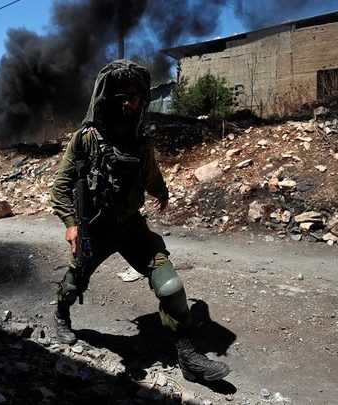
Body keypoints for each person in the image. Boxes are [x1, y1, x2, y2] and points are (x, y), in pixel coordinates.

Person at [49, 60, 230, 382]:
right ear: (108, 100)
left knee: (171, 285)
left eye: (134, 97)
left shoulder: (140, 142)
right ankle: (61, 314)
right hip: (95, 229)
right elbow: (60, 188)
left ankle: (188, 357)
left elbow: (150, 174)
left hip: (132, 227)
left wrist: (162, 192)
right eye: (122, 97)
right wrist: (71, 223)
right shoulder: (85, 140)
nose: (129, 103)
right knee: (74, 283)